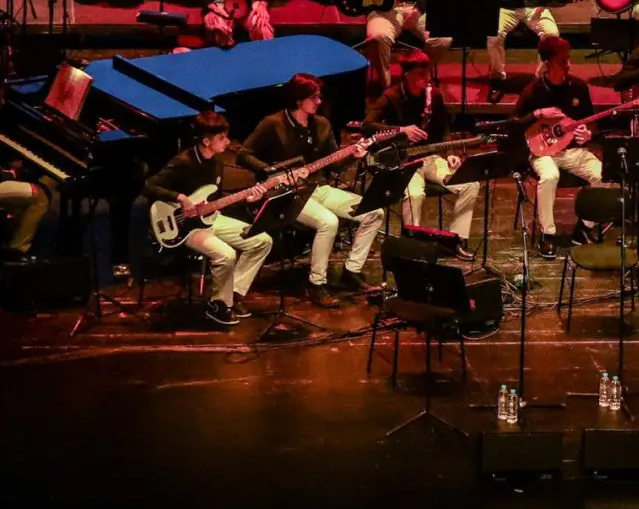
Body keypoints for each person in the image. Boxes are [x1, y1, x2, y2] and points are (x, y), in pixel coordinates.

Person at [244, 75, 386, 306]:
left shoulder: (322, 124)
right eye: (314, 97)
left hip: (319, 188)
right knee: (328, 222)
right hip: (288, 194)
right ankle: (316, 283)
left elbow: (334, 164)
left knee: (374, 211)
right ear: (299, 99)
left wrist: (353, 154)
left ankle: (351, 272)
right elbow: (243, 154)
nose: (319, 101)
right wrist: (271, 170)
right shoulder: (272, 124)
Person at [144, 110, 275, 326]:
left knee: (262, 241)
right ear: (206, 141)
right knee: (226, 255)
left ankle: (233, 294)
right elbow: (149, 187)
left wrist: (248, 199)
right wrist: (179, 197)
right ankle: (218, 305)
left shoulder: (216, 162)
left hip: (211, 217)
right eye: (221, 138)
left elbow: (218, 198)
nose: (227, 142)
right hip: (184, 226)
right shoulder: (183, 161)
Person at [364, 49, 478, 241]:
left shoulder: (433, 96)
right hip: (404, 160)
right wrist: (401, 130)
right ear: (407, 74)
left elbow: (443, 130)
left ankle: (456, 240)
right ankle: (412, 243)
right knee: (415, 195)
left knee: (470, 185)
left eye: (428, 73)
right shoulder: (391, 96)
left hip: (430, 156)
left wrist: (449, 151)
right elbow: (367, 126)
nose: (427, 78)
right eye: (421, 74)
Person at [513, 36, 603, 249]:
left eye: (569, 59)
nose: (568, 64)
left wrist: (587, 133)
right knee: (550, 176)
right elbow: (513, 122)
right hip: (543, 152)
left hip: (572, 151)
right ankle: (548, 233)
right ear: (547, 62)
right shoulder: (533, 90)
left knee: (605, 175)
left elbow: (591, 122)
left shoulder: (579, 87)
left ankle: (584, 227)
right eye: (563, 61)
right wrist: (537, 113)